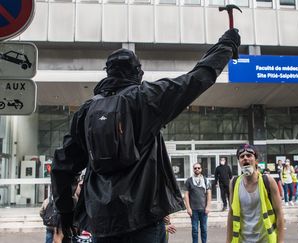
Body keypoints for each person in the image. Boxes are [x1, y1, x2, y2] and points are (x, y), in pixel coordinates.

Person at [51, 29, 241, 242]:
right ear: (137, 72)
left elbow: (62, 166)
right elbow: (196, 79)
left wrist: (66, 213)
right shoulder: (147, 98)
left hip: (102, 223)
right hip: (145, 219)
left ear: (108, 72)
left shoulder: (86, 111)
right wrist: (225, 46)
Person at [226, 144, 284, 243]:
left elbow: (280, 214)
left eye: (249, 155)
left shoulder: (268, 181)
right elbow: (231, 214)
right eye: (242, 157)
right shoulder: (234, 183)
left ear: (256, 160)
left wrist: (280, 241)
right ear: (239, 162)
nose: (245, 158)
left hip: (265, 239)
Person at [184, 163, 211, 243]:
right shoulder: (189, 181)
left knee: (204, 229)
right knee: (195, 230)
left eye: (198, 168)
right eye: (195, 168)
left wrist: (208, 207)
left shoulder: (206, 180)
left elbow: (209, 194)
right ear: (193, 169)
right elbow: (186, 195)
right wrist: (188, 208)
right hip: (193, 210)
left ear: (201, 169)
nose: (197, 169)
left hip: (203, 210)